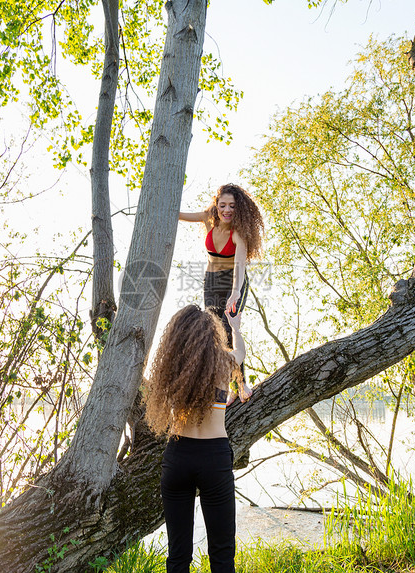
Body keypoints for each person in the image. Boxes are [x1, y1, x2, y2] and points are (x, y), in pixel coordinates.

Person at [143, 304, 252, 573]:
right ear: (211, 335)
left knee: (178, 555)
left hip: (178, 458)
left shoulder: (172, 370)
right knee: (222, 553)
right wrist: (235, 329)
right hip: (213, 459)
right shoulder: (225, 363)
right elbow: (240, 353)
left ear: (177, 337)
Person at [179, 183, 263, 399]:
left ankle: (241, 384)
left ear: (239, 208)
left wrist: (235, 292)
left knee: (229, 327)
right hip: (212, 283)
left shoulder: (239, 234)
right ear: (216, 205)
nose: (227, 210)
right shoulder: (208, 217)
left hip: (235, 284)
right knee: (215, 333)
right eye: (223, 205)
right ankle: (224, 386)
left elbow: (240, 267)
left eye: (232, 206)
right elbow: (177, 214)